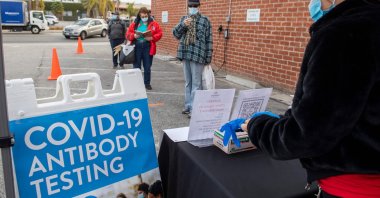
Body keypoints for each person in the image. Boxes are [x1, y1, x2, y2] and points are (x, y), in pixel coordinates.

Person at [238, 0, 380, 197]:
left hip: (354, 187)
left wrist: (257, 126)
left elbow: (308, 136)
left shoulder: (342, 35)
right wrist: (288, 118)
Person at [173, 0, 213, 118]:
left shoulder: (205, 20)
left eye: (195, 6)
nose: (192, 8)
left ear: (199, 6)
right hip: (185, 54)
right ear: (188, 6)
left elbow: (209, 39)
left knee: (197, 83)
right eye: (190, 6)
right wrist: (182, 25)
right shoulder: (183, 19)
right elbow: (175, 34)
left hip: (198, 55)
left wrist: (208, 57)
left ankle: (195, 109)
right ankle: (188, 106)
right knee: (188, 82)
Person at [126, 7, 162, 90]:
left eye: (146, 16)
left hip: (148, 47)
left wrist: (152, 38)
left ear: (148, 15)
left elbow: (159, 33)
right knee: (136, 66)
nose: (144, 18)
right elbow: (128, 34)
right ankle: (136, 84)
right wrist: (134, 36)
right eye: (142, 16)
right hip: (137, 46)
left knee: (147, 66)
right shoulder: (135, 23)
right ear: (139, 15)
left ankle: (147, 83)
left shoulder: (154, 23)